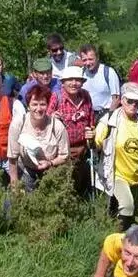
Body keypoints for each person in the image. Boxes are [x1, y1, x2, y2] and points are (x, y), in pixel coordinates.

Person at [95, 83, 138, 230]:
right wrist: (91, 138)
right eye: (130, 101)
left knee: (133, 210)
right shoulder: (109, 120)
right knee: (127, 206)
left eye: (137, 102)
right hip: (116, 174)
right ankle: (118, 238)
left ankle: (125, 235)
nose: (133, 105)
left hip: (137, 175)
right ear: (122, 100)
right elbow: (96, 144)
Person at [7, 85, 69, 191]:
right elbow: (12, 157)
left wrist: (50, 163)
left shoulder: (57, 125)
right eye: (34, 104)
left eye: (43, 104)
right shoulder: (18, 124)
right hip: (26, 170)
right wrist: (14, 185)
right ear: (28, 106)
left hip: (51, 171)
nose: (39, 109)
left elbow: (64, 155)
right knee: (12, 204)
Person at [47, 65, 96, 196]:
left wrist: (91, 132)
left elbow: (91, 118)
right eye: (70, 80)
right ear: (63, 82)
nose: (74, 83)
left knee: (81, 184)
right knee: (66, 183)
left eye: (78, 80)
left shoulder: (86, 96)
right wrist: (53, 117)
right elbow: (46, 119)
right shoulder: (56, 97)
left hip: (83, 149)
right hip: (64, 151)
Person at [80, 43, 121, 121]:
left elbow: (116, 99)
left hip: (106, 114)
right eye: (84, 60)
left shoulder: (108, 72)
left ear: (97, 58)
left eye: (90, 59)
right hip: (88, 116)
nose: (88, 63)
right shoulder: (81, 73)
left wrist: (108, 118)